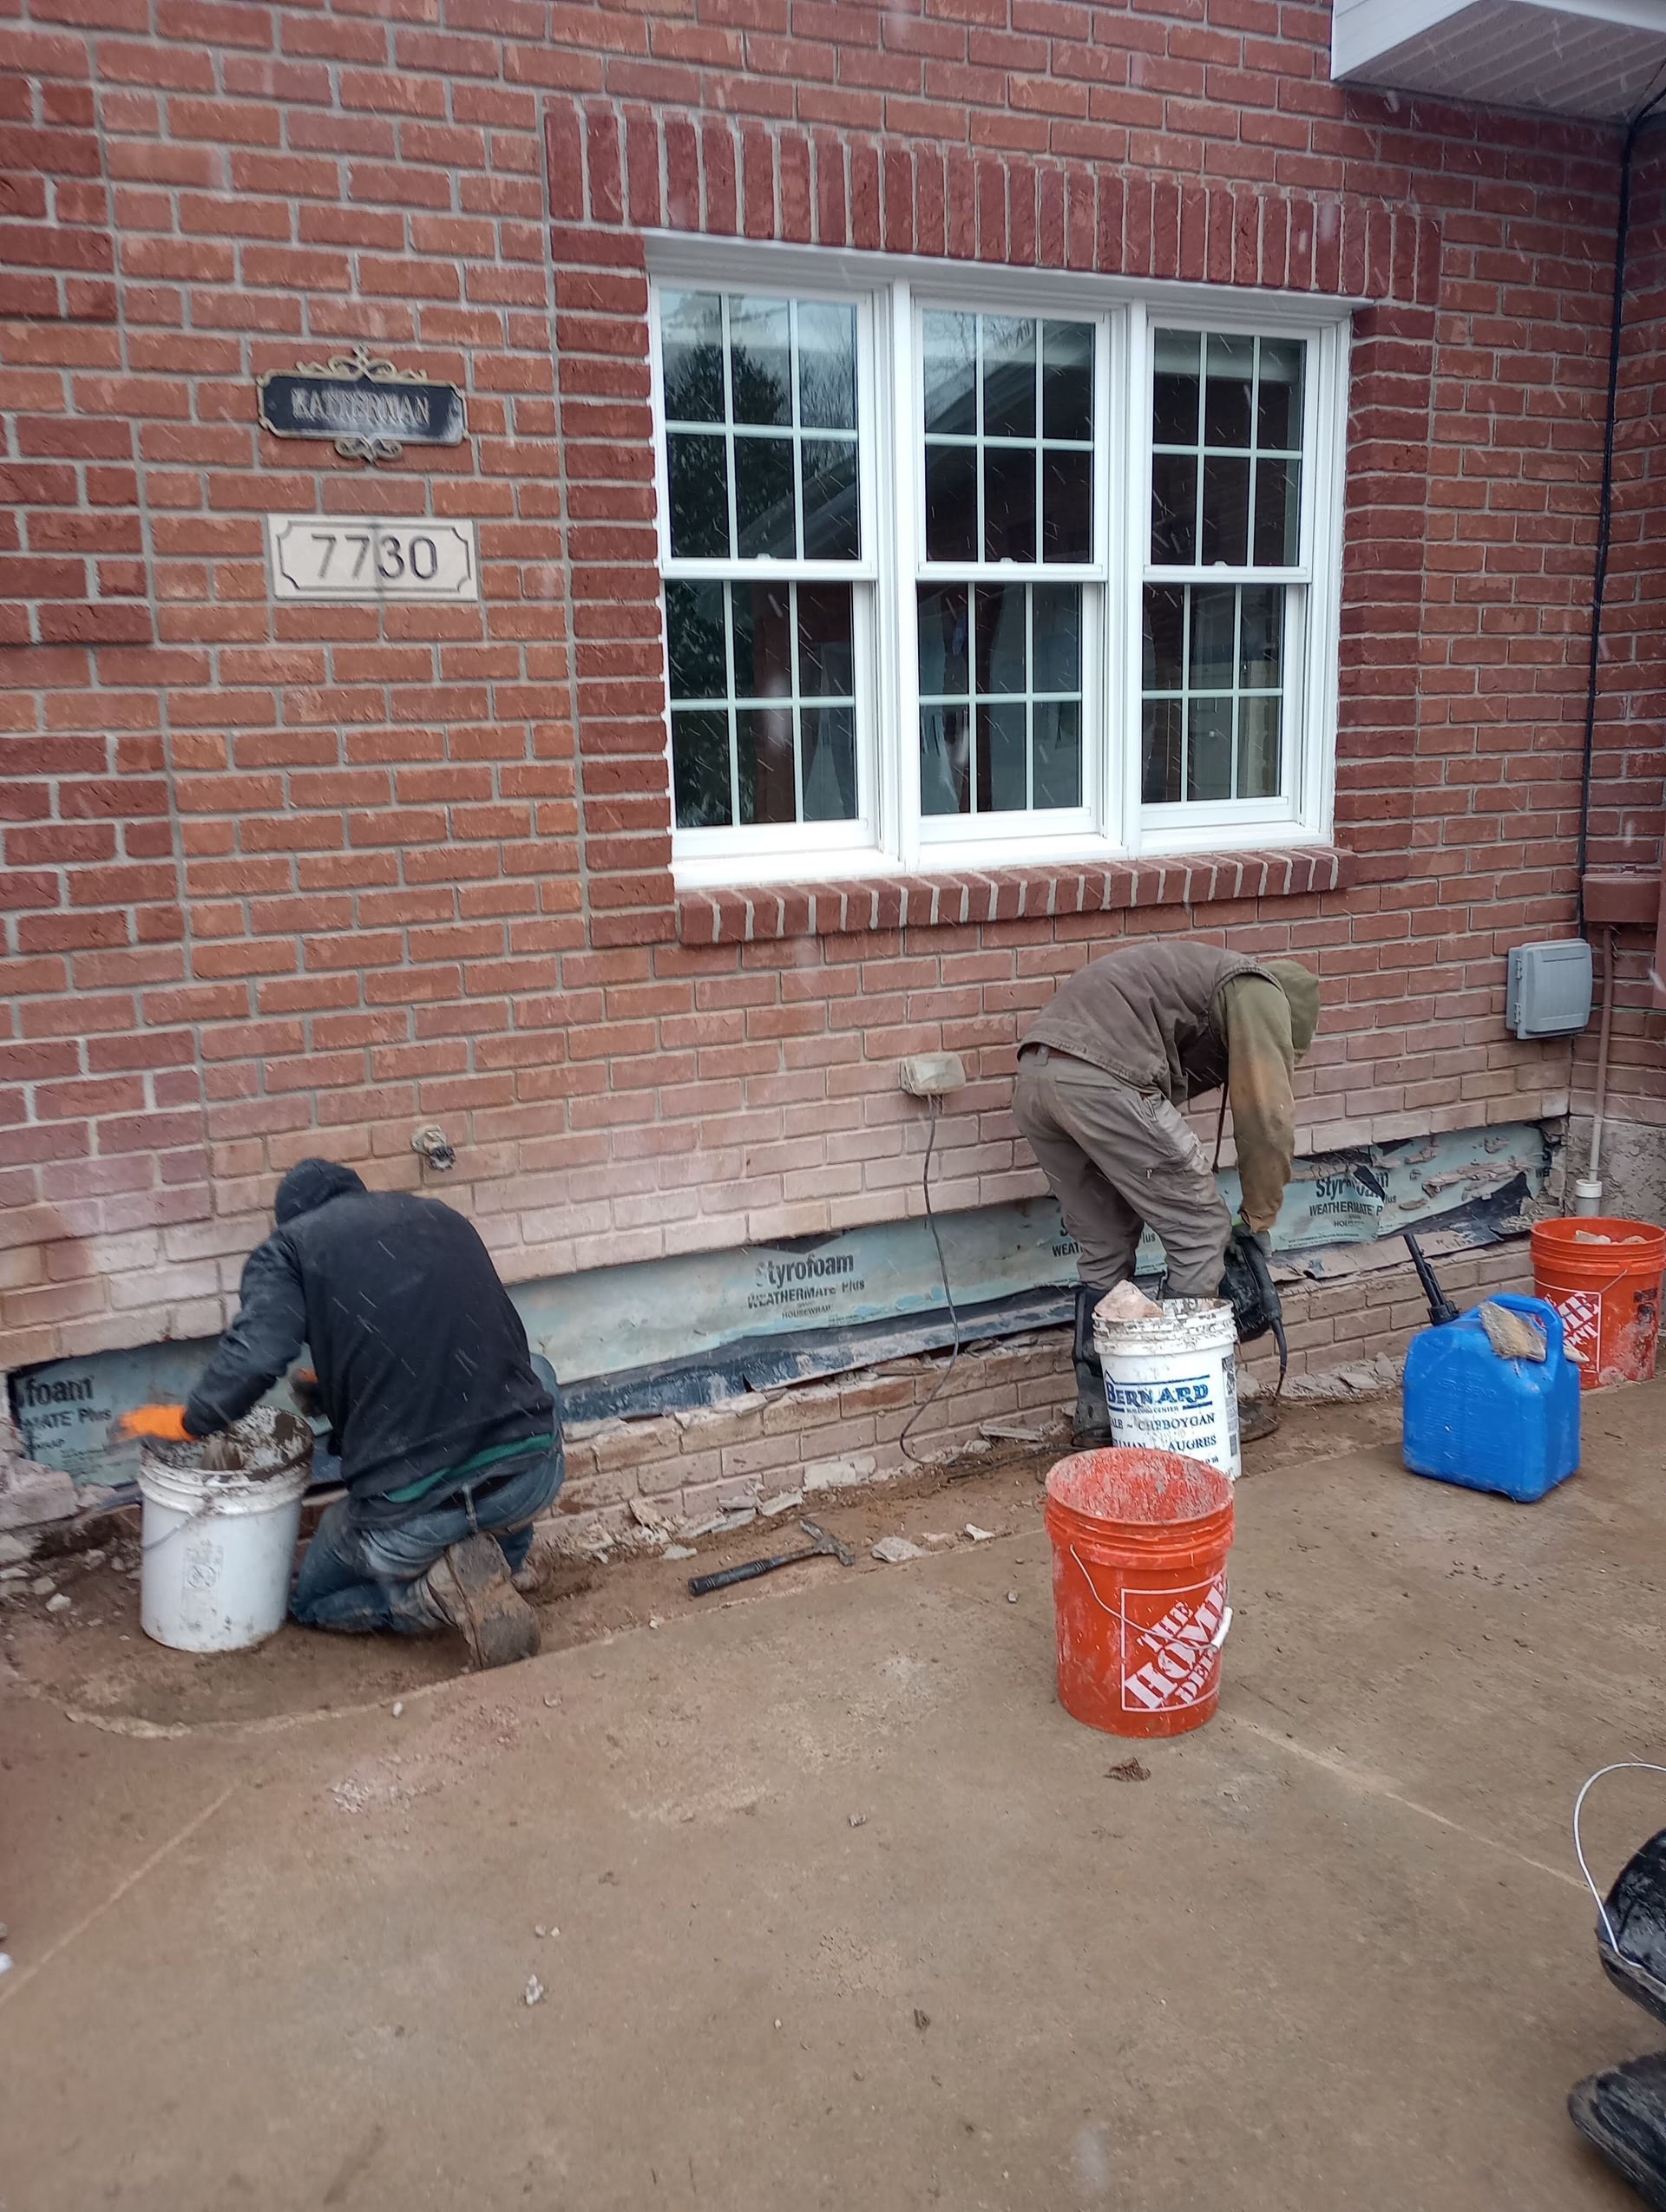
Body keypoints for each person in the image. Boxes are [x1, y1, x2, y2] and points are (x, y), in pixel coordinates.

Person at [130, 1160, 561, 1668]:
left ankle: (437, 1596)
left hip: (410, 1517)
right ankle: (506, 1562)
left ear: (293, 1219)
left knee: (313, 1601)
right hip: (526, 1482)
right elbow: (488, 1343)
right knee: (537, 1371)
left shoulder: (289, 1248)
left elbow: (258, 1356)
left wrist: (193, 1420)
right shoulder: (442, 1218)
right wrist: (337, 1387)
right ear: (358, 1195)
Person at [1013, 939, 1320, 1445]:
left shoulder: (1203, 980)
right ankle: (1174, 1411)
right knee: (1201, 1230)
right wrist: (1257, 1218)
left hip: (1036, 1079)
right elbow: (1267, 1119)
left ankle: (1101, 1412)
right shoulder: (1261, 991)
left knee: (1104, 1245)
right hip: (1102, 1078)